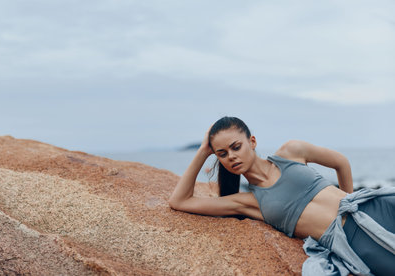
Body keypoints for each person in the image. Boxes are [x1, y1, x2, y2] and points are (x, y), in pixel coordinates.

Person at [169, 116, 395, 276]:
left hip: (374, 208)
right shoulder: (248, 202)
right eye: (222, 154)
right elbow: (180, 201)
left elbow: (340, 162)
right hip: (352, 242)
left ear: (252, 142)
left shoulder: (291, 151)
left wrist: (349, 200)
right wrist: (202, 151)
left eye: (236, 147)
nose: (231, 156)